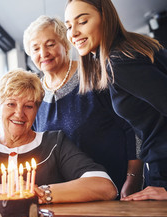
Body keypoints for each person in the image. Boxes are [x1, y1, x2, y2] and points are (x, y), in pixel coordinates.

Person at [0, 69, 117, 207]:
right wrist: (3, 190)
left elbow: (105, 186)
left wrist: (40, 193)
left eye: (28, 106)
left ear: (37, 110)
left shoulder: (55, 143)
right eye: (11, 104)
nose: (19, 114)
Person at [23, 15, 142, 198]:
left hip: (112, 190)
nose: (43, 53)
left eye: (50, 44)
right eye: (36, 48)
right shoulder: (34, 94)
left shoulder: (96, 74)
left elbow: (132, 128)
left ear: (66, 43)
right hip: (60, 197)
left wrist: (133, 178)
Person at [65, 0, 167, 201]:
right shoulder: (131, 47)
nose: (73, 33)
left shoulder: (119, 60)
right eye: (68, 26)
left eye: (82, 21)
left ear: (106, 19)